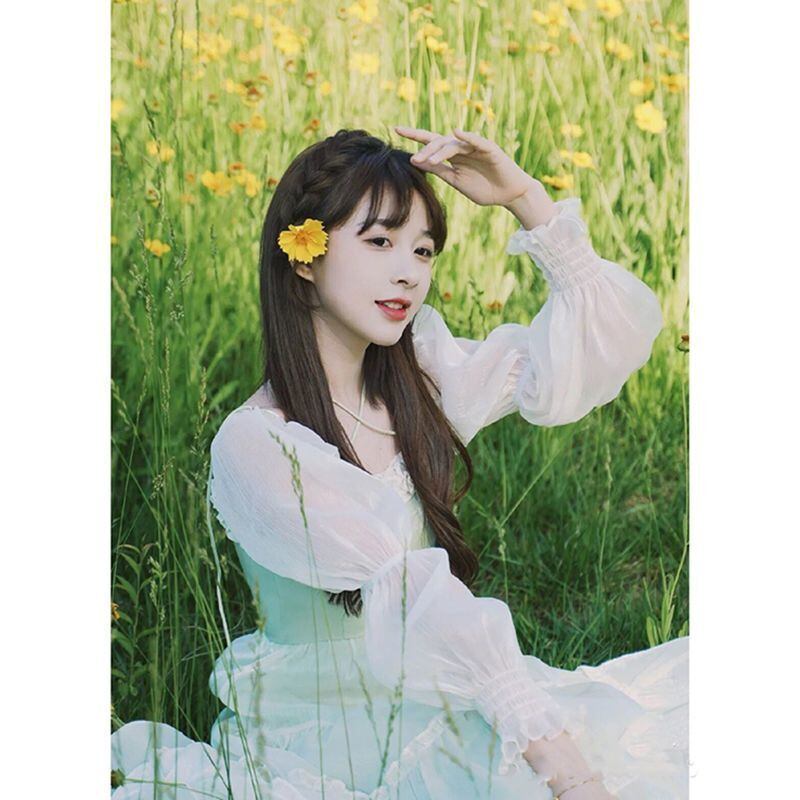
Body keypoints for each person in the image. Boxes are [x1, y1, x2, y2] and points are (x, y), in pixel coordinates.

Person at [110, 127, 688, 799]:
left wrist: (526, 199)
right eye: (380, 242)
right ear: (304, 257)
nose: (410, 272)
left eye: (423, 249)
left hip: (437, 687)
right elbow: (411, 591)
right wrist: (566, 770)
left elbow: (596, 348)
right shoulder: (259, 444)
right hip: (328, 726)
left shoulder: (419, 381)